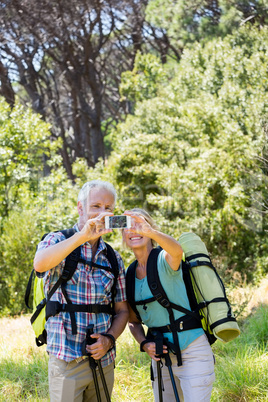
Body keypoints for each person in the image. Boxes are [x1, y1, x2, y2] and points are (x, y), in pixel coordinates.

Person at [34, 180, 129, 402]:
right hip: (66, 360)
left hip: (103, 361)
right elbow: (40, 264)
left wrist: (109, 338)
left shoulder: (114, 259)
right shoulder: (58, 239)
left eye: (108, 208)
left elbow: (122, 310)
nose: (102, 213)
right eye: (95, 206)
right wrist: (82, 237)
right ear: (80, 208)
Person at [123, 208, 215, 402]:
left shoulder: (164, 259)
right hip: (161, 358)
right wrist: (144, 343)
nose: (134, 230)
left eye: (140, 224)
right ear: (123, 236)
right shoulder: (128, 275)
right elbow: (133, 322)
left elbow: (177, 250)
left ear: (150, 229)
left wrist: (150, 231)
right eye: (128, 227)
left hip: (193, 351)